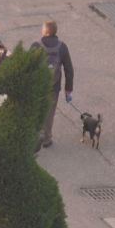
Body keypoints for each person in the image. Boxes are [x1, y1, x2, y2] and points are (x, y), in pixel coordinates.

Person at [33, 20, 74, 149]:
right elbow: (69, 69)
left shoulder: (36, 46)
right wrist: (68, 90)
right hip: (53, 87)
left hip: (37, 86)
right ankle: (46, 139)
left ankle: (35, 136)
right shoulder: (62, 47)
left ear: (45, 31)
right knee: (49, 112)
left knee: (36, 110)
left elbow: (28, 66)